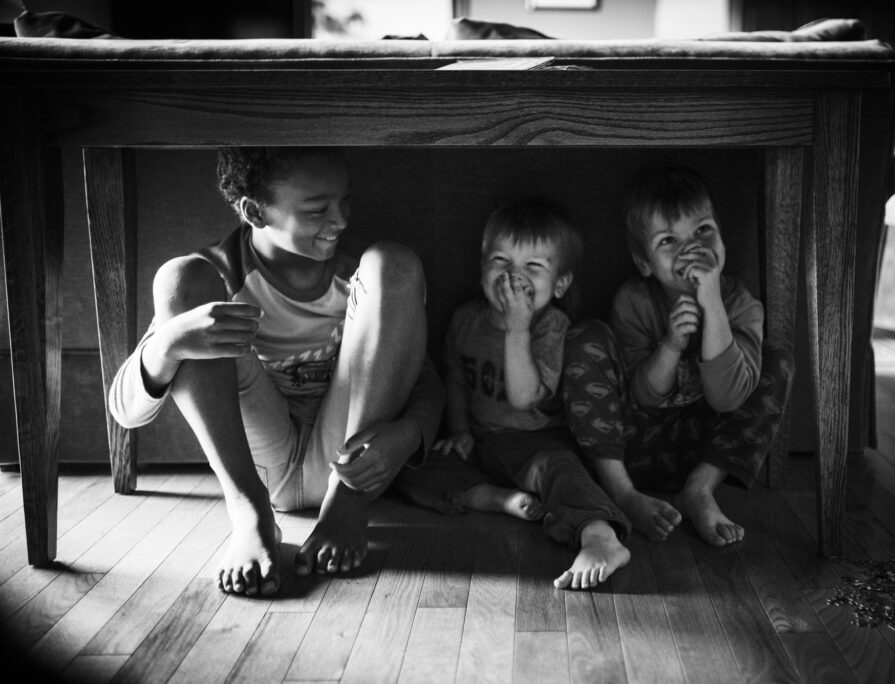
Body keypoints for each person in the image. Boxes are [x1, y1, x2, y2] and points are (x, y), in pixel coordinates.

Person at [108, 147, 443, 596]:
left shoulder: (360, 278)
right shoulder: (220, 277)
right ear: (255, 211)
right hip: (262, 469)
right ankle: (249, 516)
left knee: (394, 262)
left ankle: (345, 505)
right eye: (318, 209)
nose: (341, 220)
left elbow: (423, 379)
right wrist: (168, 345)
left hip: (351, 464)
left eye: (345, 201)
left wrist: (408, 434)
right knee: (179, 278)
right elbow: (125, 413)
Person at [562, 166, 794, 547]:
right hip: (635, 444)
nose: (691, 249)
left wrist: (713, 304)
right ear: (644, 262)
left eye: (703, 231)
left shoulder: (742, 306)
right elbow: (644, 395)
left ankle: (699, 491)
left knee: (777, 359)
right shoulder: (634, 300)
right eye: (669, 240)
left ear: (721, 237)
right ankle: (623, 495)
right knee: (586, 337)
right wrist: (670, 344)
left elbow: (729, 398)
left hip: (705, 449)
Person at [431, 198, 632, 590]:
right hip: (482, 442)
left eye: (532, 267)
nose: (513, 277)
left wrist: (517, 328)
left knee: (562, 471)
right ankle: (495, 499)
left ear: (560, 284)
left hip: (534, 442)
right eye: (501, 261)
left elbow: (525, 398)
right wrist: (459, 431)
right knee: (414, 461)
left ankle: (599, 535)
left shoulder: (549, 326)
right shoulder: (465, 319)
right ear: (483, 264)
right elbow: (455, 378)